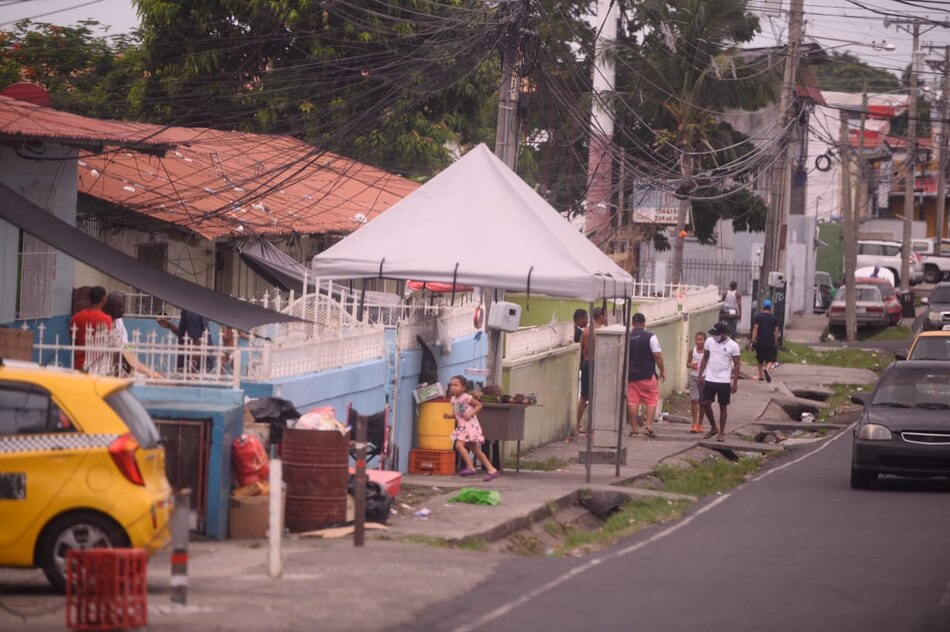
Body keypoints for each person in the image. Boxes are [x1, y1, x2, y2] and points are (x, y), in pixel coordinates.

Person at [443, 375, 499, 482]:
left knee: (459, 445)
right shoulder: (453, 399)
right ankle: (492, 470)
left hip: (469, 425)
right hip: (462, 426)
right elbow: (458, 413)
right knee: (475, 450)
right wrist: (449, 416)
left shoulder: (466, 397)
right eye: (451, 385)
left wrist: (470, 414)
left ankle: (470, 467)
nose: (453, 387)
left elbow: (479, 405)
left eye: (456, 385)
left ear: (463, 387)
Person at [697, 322, 741, 442]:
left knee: (723, 406)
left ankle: (721, 432)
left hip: (724, 380)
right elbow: (705, 358)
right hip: (710, 378)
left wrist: (735, 382)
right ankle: (713, 427)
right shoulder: (709, 342)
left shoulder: (733, 346)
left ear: (722, 334)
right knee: (705, 403)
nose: (714, 336)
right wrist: (700, 375)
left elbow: (737, 365)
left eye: (716, 334)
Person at [626, 312, 666, 438]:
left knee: (633, 402)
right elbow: (657, 355)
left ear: (632, 323)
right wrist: (663, 370)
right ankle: (648, 426)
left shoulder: (626, 337)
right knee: (651, 400)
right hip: (647, 375)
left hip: (631, 376)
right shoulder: (650, 337)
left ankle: (634, 428)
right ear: (644, 323)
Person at [575, 306, 608, 438]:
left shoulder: (586, 331)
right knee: (595, 397)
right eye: (605, 315)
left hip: (586, 363)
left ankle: (577, 426)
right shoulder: (602, 332)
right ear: (600, 316)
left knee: (584, 396)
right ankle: (591, 428)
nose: (606, 318)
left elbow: (582, 348)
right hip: (596, 364)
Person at [69, 286, 112, 371]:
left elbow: (73, 341)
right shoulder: (107, 320)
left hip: (80, 365)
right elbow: (108, 343)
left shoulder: (76, 318)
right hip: (98, 366)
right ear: (103, 299)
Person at [750, 299, 780, 383]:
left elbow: (755, 329)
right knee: (771, 359)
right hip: (770, 341)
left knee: (760, 359)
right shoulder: (774, 318)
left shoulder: (758, 316)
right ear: (770, 307)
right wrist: (775, 340)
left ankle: (760, 376)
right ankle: (767, 369)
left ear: (763, 306)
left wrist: (752, 341)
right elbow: (776, 331)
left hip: (760, 341)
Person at [686, 331, 707, 434]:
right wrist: (691, 366)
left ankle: (700, 424)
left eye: (701, 340)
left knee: (702, 402)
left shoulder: (707, 352)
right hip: (694, 377)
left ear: (704, 341)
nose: (699, 341)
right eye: (697, 339)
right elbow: (687, 363)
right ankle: (694, 423)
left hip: (704, 378)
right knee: (694, 400)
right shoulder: (692, 351)